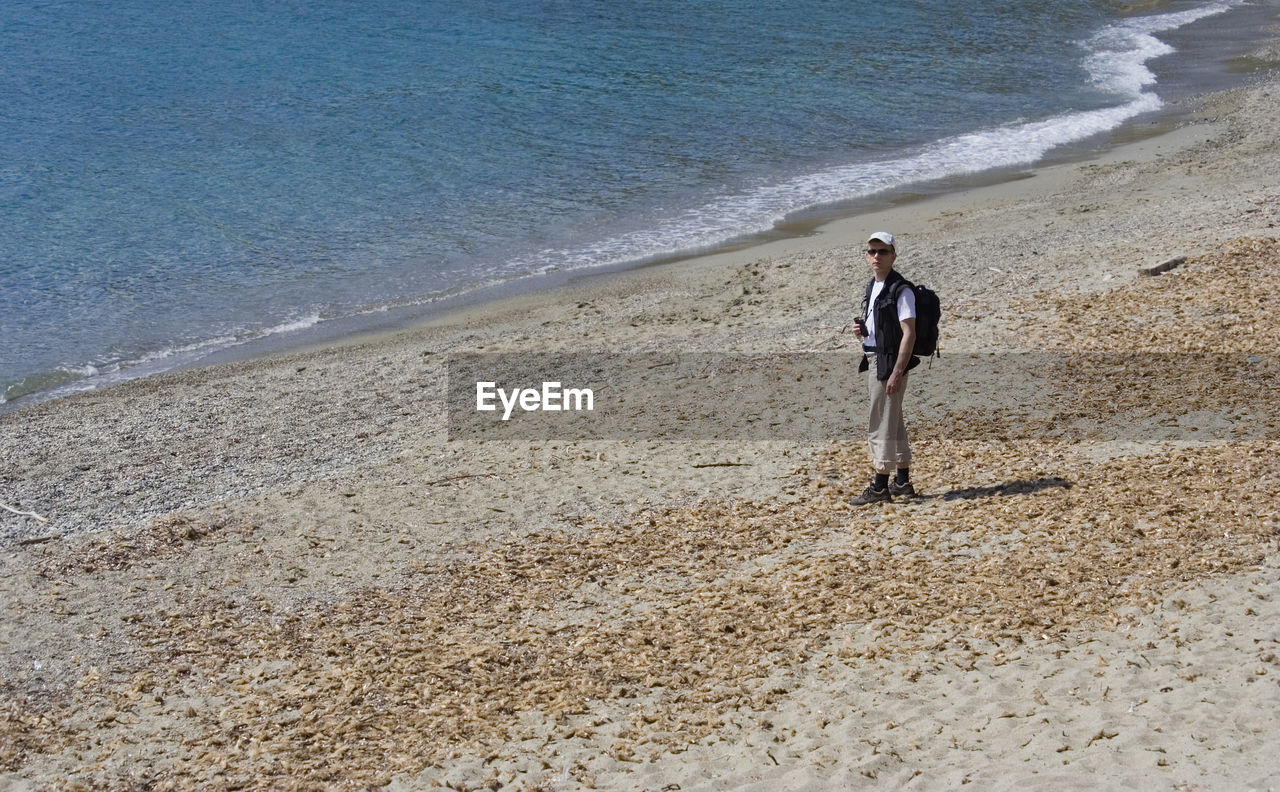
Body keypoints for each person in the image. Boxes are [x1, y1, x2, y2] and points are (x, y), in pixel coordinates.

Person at [850, 231, 917, 505]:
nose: (876, 256)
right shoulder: (874, 286)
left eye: (882, 252)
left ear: (893, 256)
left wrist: (897, 372)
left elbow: (909, 333)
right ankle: (902, 481)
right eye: (872, 251)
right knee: (894, 419)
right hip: (877, 358)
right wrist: (862, 332)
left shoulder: (901, 289)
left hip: (889, 364)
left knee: (880, 423)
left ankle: (880, 486)